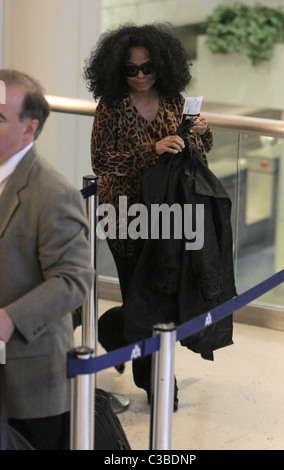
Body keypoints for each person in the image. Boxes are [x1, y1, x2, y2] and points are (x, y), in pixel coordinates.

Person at [84, 23, 215, 410]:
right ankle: (157, 384)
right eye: (131, 69)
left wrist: (202, 132)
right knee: (143, 300)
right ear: (117, 69)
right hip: (124, 216)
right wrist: (152, 149)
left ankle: (113, 328)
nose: (141, 76)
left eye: (148, 68)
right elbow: (102, 160)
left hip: (168, 214)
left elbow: (194, 151)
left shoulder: (174, 99)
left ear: (162, 66)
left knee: (161, 297)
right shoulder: (111, 106)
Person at [0, 69, 94, 450]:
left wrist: (8, 320)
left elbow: (74, 279)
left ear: (29, 128)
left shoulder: (52, 192)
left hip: (28, 376)